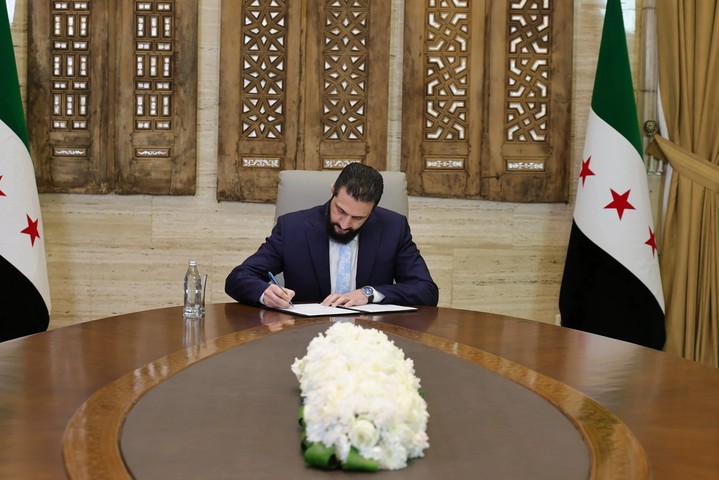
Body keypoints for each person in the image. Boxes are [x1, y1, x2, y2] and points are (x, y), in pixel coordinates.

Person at [225, 163, 439, 309]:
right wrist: (265, 292)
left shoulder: (393, 227)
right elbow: (238, 278)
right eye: (341, 211)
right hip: (306, 337)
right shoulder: (293, 228)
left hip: (371, 341)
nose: (345, 224)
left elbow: (426, 290)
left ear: (373, 210)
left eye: (358, 218)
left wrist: (369, 293)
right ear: (332, 191)